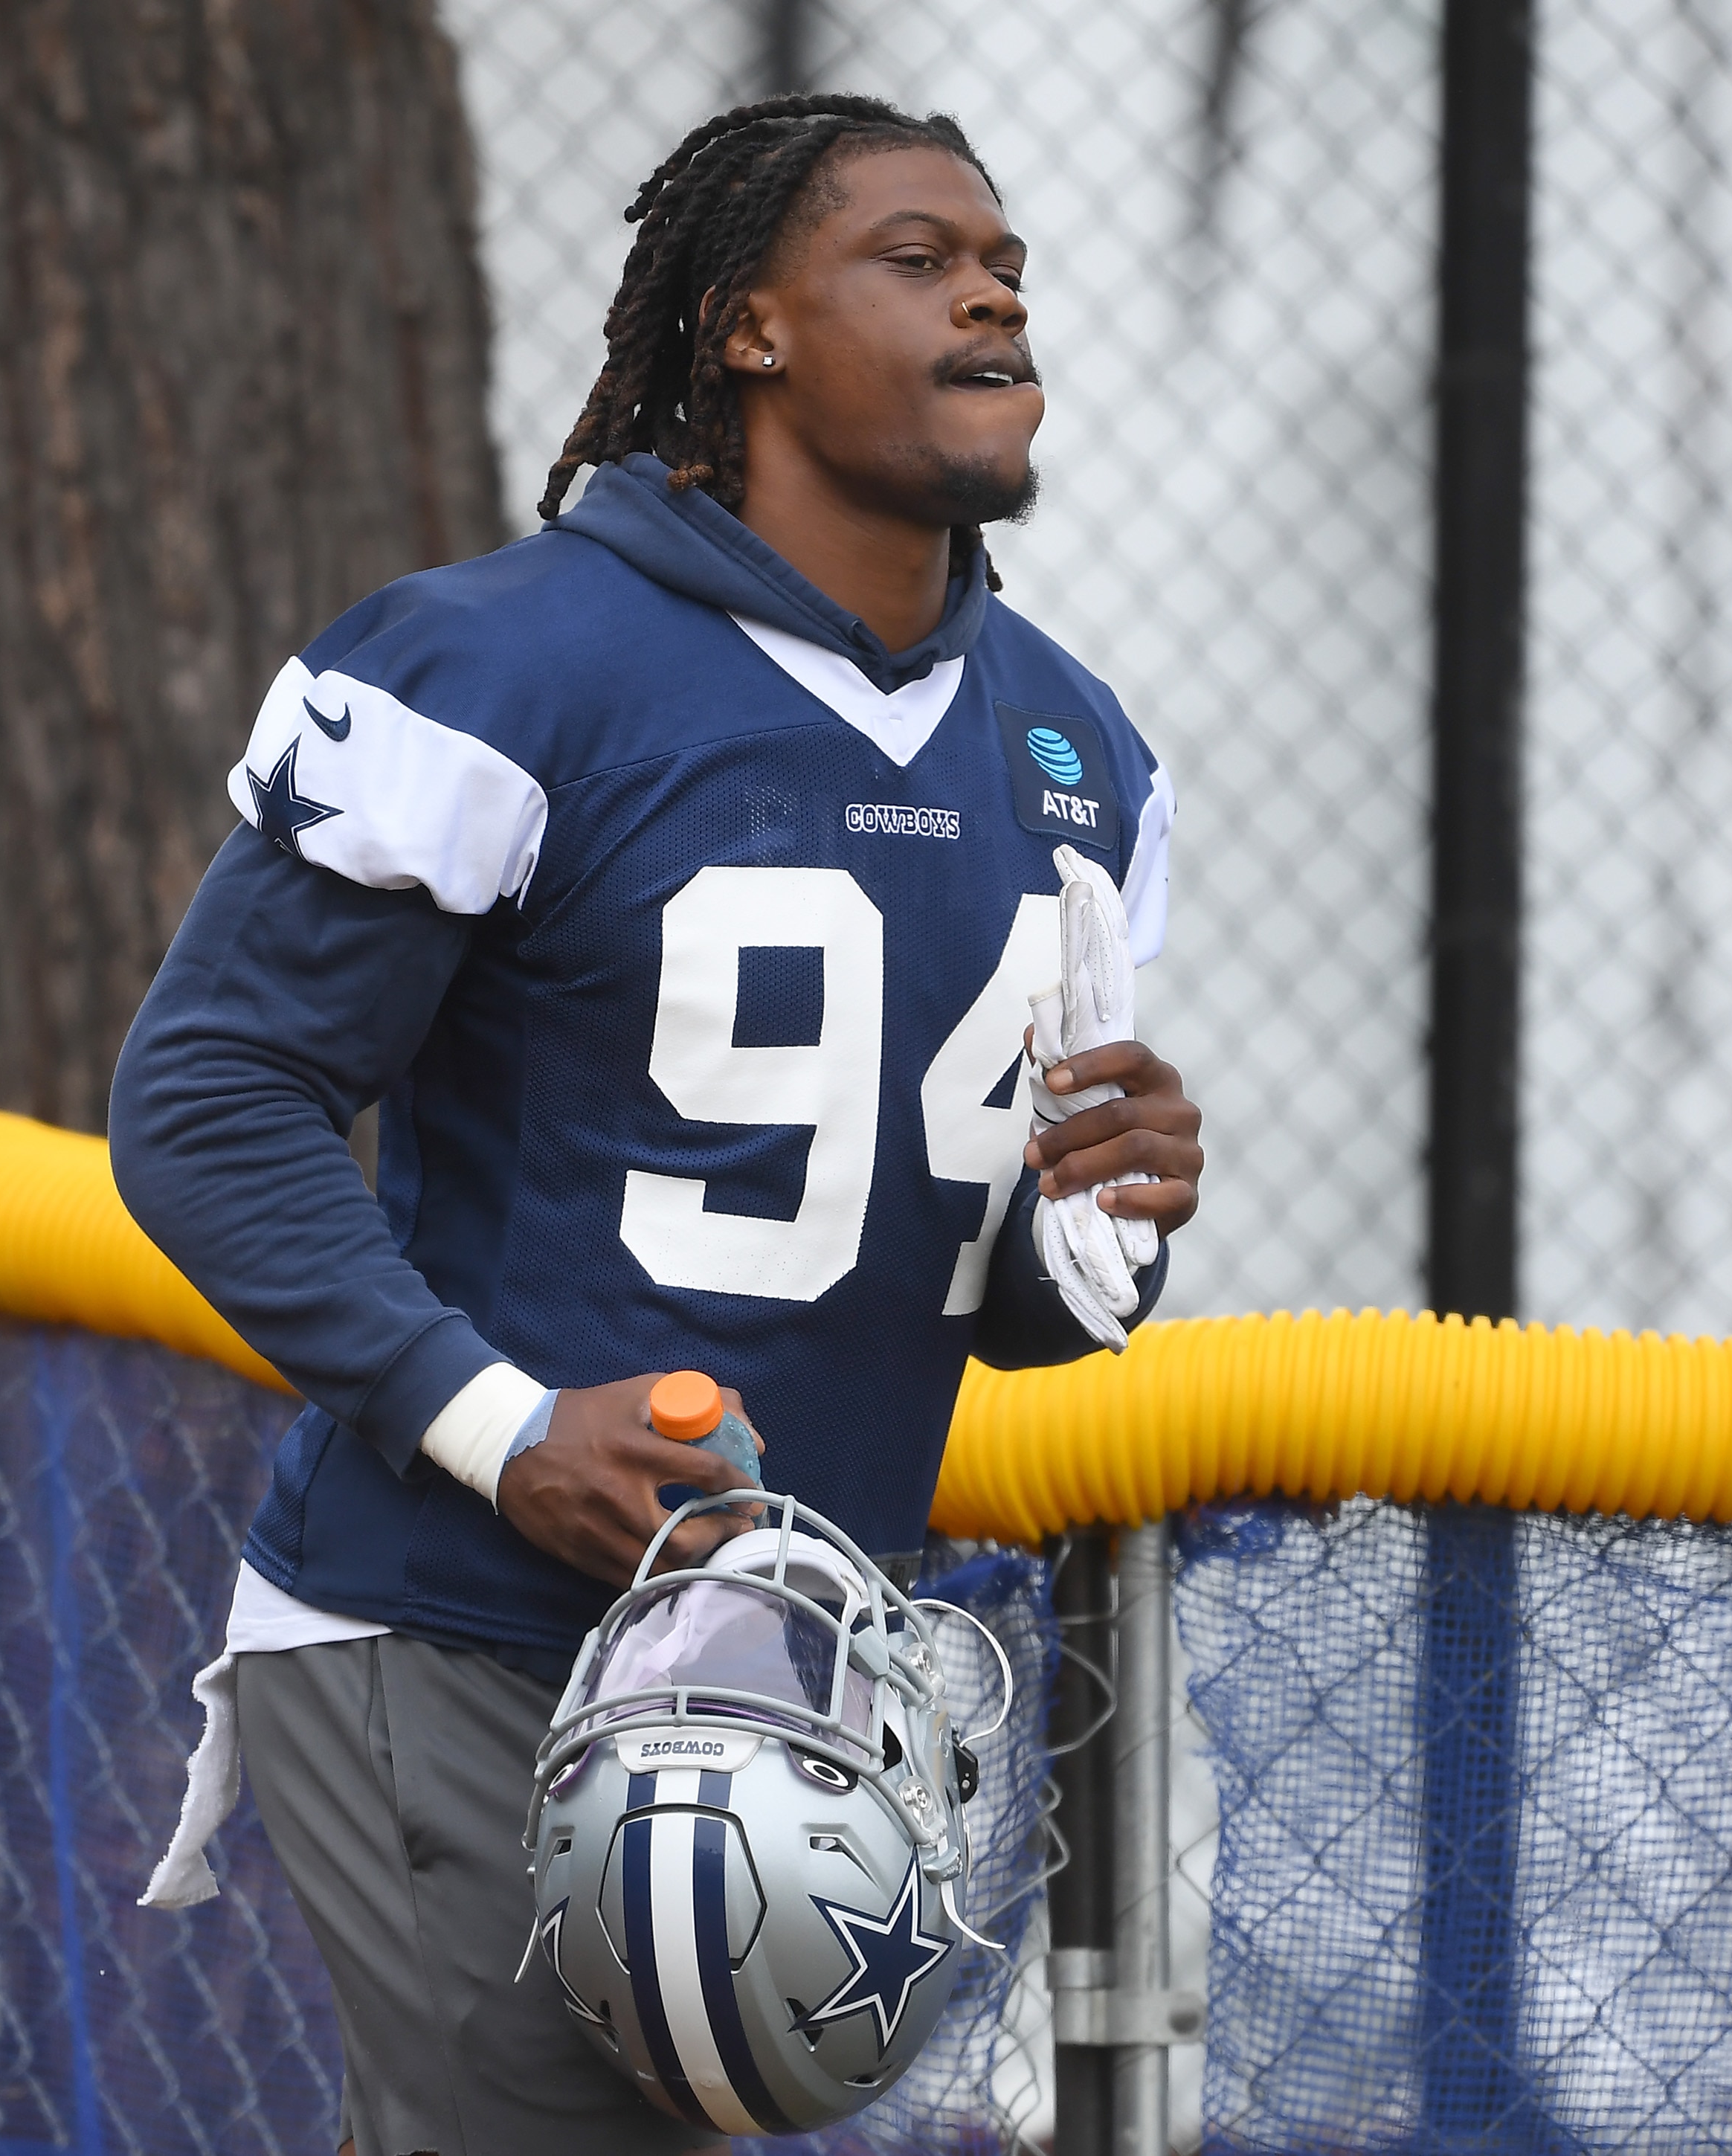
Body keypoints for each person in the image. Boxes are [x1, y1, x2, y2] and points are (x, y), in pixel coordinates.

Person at [109, 91, 1206, 2156]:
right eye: (916, 253)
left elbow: (1009, 1313)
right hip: (458, 1633)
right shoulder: (504, 663)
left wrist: (1118, 1212)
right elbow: (204, 1100)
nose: (992, 287)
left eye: (1012, 268)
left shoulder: (1079, 753)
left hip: (802, 1679)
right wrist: (506, 1427)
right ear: (746, 328)